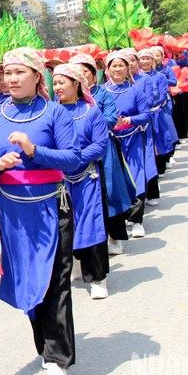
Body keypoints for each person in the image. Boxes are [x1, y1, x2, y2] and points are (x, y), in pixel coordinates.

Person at [0, 48, 80, 375]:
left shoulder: (55, 113)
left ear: (37, 76)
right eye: (7, 73)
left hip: (51, 207)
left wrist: (35, 151)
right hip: (13, 211)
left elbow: (73, 159)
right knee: (28, 280)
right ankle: (45, 348)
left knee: (56, 283)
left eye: (19, 72)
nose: (12, 79)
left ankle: (58, 360)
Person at [52, 64, 110, 300]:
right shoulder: (51, 113)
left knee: (91, 224)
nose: (57, 88)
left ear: (76, 84)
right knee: (65, 226)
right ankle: (74, 263)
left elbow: (100, 144)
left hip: (87, 176)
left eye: (61, 83)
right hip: (59, 178)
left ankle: (98, 278)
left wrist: (75, 158)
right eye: (54, 83)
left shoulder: (91, 112)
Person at [69, 54, 132, 255]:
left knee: (110, 192)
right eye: (76, 72)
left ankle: (115, 235)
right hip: (75, 154)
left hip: (103, 150)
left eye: (85, 71)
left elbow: (111, 119)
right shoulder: (63, 100)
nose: (81, 75)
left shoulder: (103, 95)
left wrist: (89, 129)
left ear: (93, 75)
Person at [104, 52, 150, 239]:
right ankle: (118, 224)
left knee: (136, 178)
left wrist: (128, 120)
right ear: (107, 69)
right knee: (115, 183)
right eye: (113, 66)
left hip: (132, 139)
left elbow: (146, 114)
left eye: (121, 65)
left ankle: (137, 220)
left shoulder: (135, 90)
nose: (117, 69)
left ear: (127, 68)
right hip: (110, 142)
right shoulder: (101, 92)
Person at [122, 48, 159, 209]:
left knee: (145, 160)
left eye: (132, 60)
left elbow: (149, 101)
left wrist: (136, 107)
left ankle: (151, 193)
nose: (130, 64)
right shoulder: (109, 87)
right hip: (120, 132)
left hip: (140, 127)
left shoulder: (144, 80)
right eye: (127, 60)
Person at [139, 49, 178, 201]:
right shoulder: (135, 79)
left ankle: (160, 167)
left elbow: (162, 95)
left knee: (160, 141)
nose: (145, 61)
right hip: (143, 117)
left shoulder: (160, 76)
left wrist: (150, 105)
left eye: (148, 58)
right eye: (142, 59)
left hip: (156, 112)